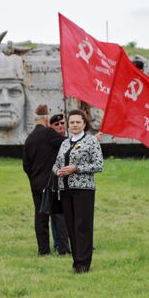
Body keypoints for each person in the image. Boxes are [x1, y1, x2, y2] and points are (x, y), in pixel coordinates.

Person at [53, 109, 103, 273]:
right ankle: (76, 261)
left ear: (84, 123)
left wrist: (76, 168)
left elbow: (98, 165)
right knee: (71, 226)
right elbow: (56, 164)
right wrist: (57, 171)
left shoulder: (91, 141)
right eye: (72, 122)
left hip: (83, 189)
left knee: (83, 226)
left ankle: (84, 263)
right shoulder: (65, 142)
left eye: (78, 122)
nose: (74, 125)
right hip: (65, 189)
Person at [23, 105, 70, 256]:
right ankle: (63, 249)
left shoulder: (29, 139)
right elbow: (66, 144)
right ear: (45, 119)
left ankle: (43, 250)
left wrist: (34, 178)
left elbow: (26, 165)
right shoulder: (49, 133)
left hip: (36, 183)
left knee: (40, 217)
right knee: (57, 215)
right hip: (51, 182)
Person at [48, 113, 69, 253]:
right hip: (54, 180)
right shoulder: (52, 139)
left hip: (68, 180)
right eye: (57, 124)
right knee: (56, 214)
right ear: (51, 127)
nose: (60, 126)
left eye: (62, 123)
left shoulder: (68, 139)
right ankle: (58, 243)